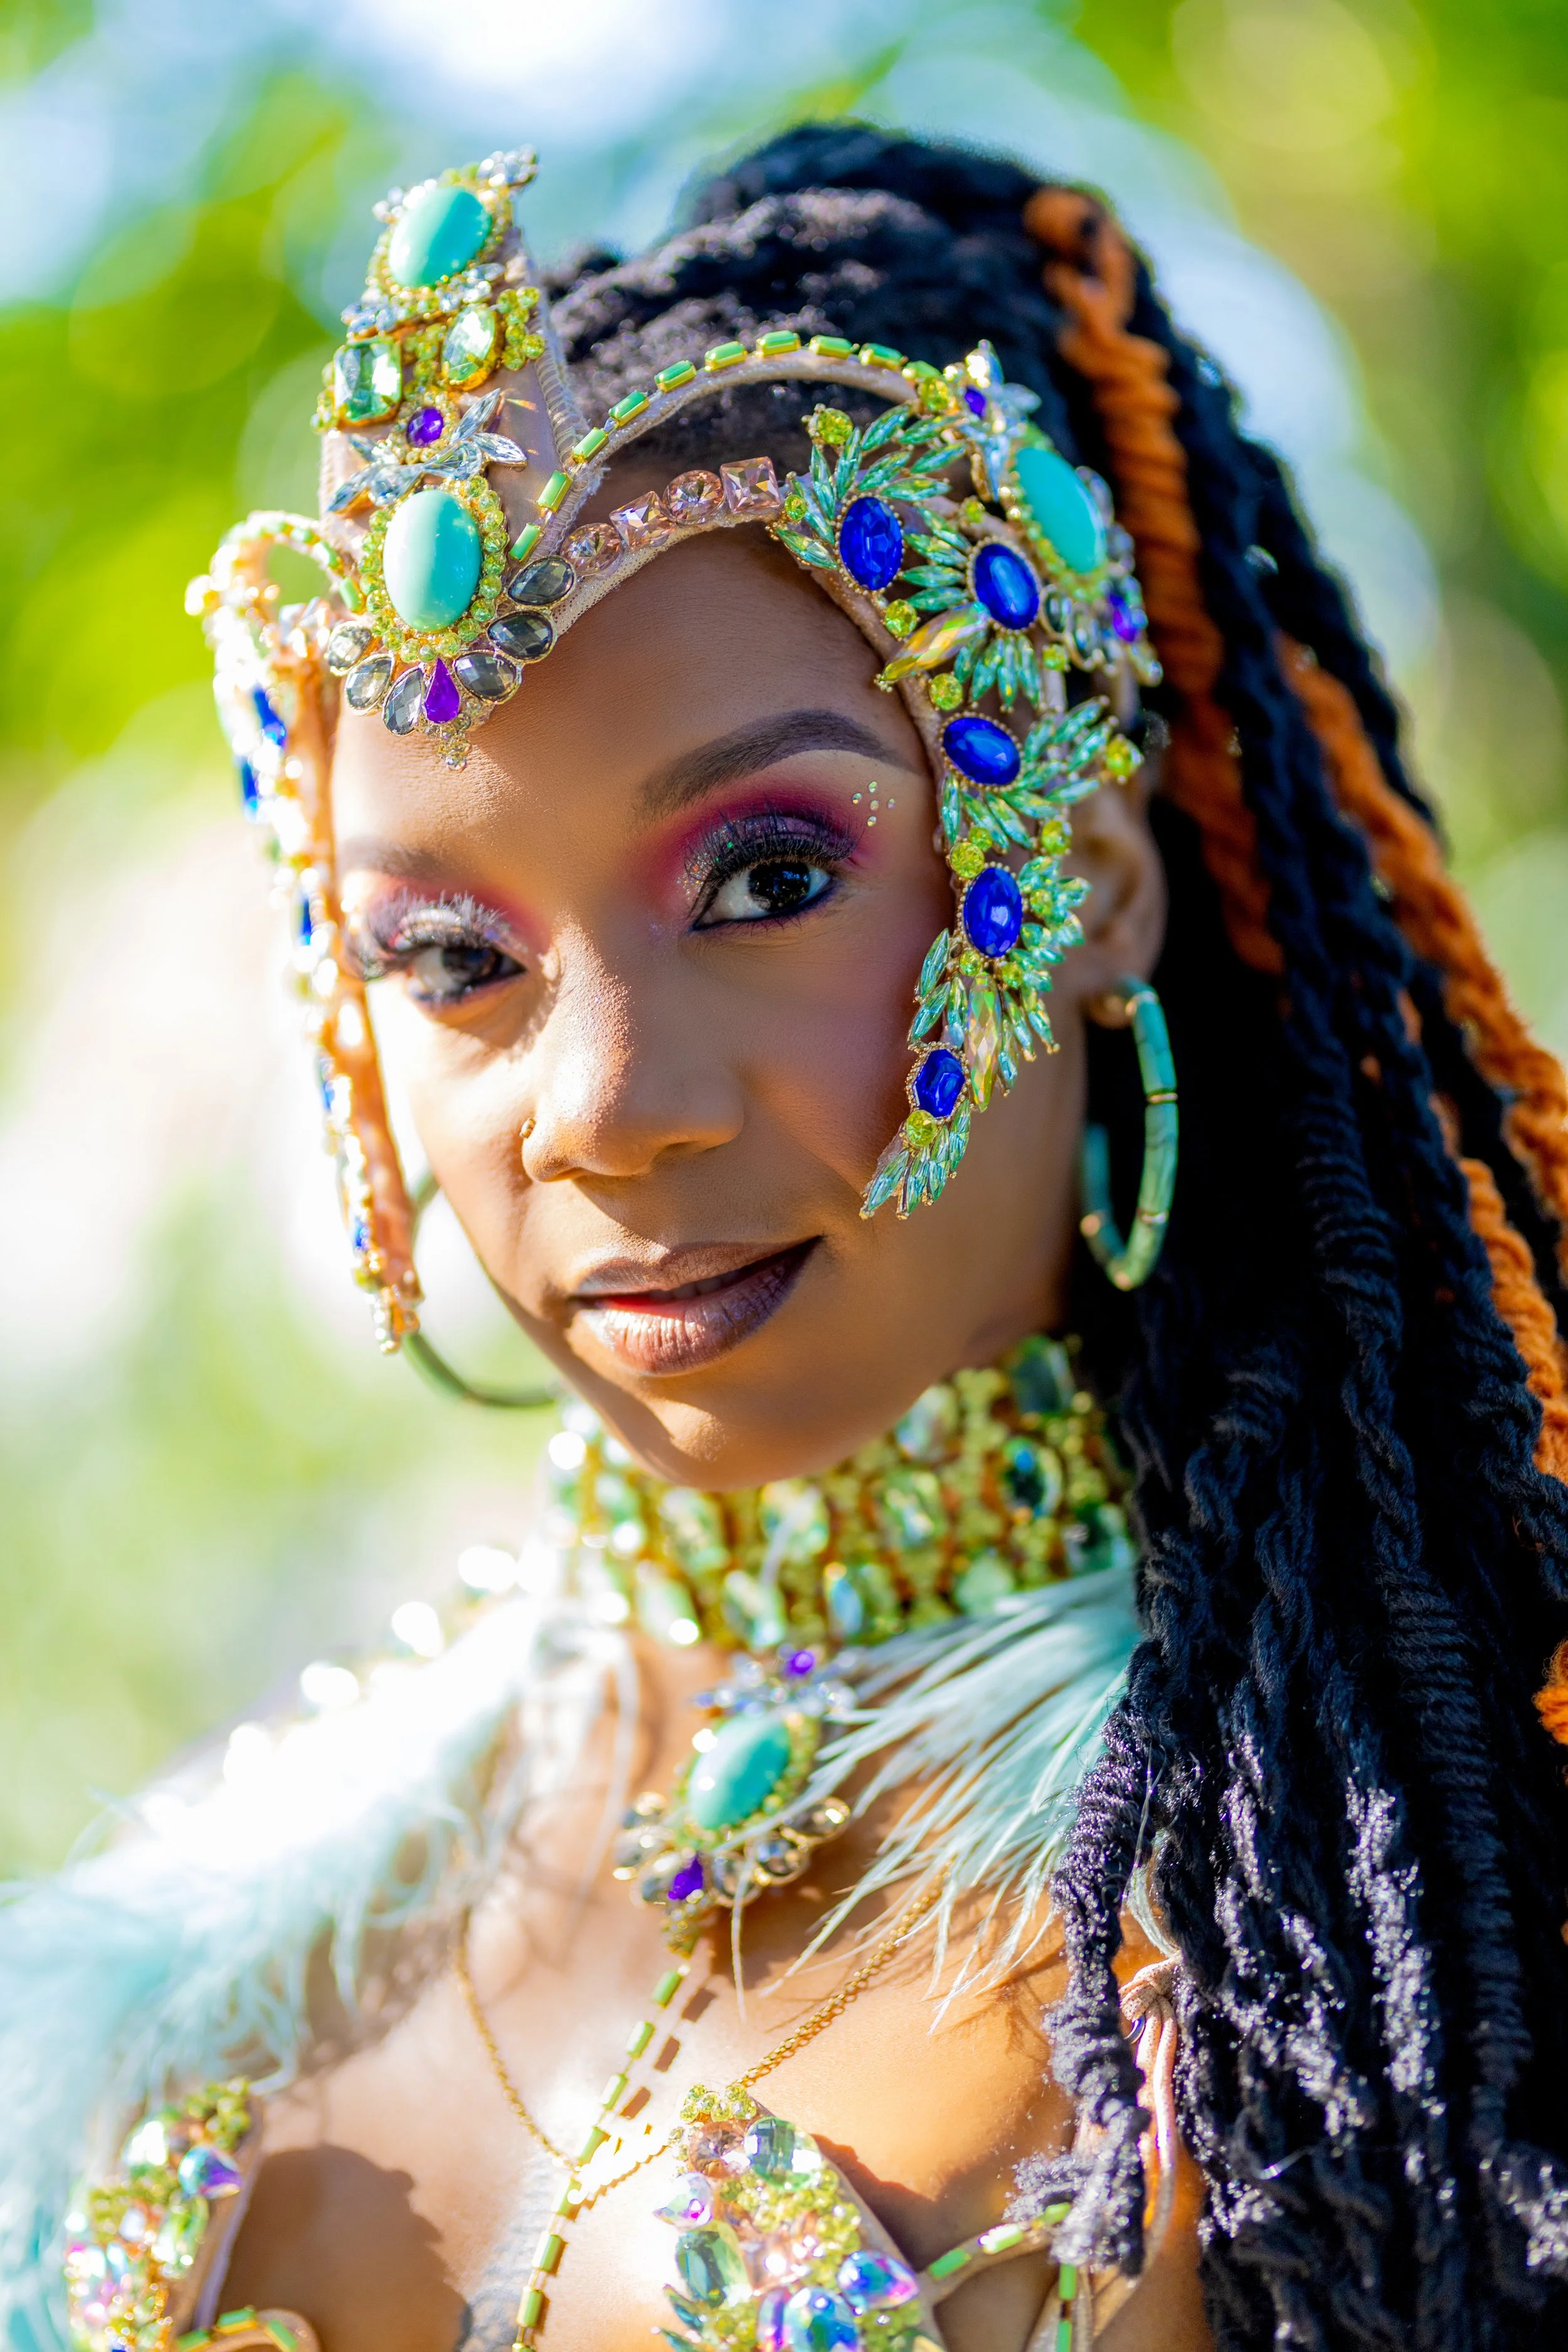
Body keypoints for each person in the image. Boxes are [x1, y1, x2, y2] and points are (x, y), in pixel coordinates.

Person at [10, 122, 1568, 2352]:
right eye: (455, 956)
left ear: (1088, 881)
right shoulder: (201, 1918)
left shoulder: (1356, 1926)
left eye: (763, 879)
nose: (605, 1107)